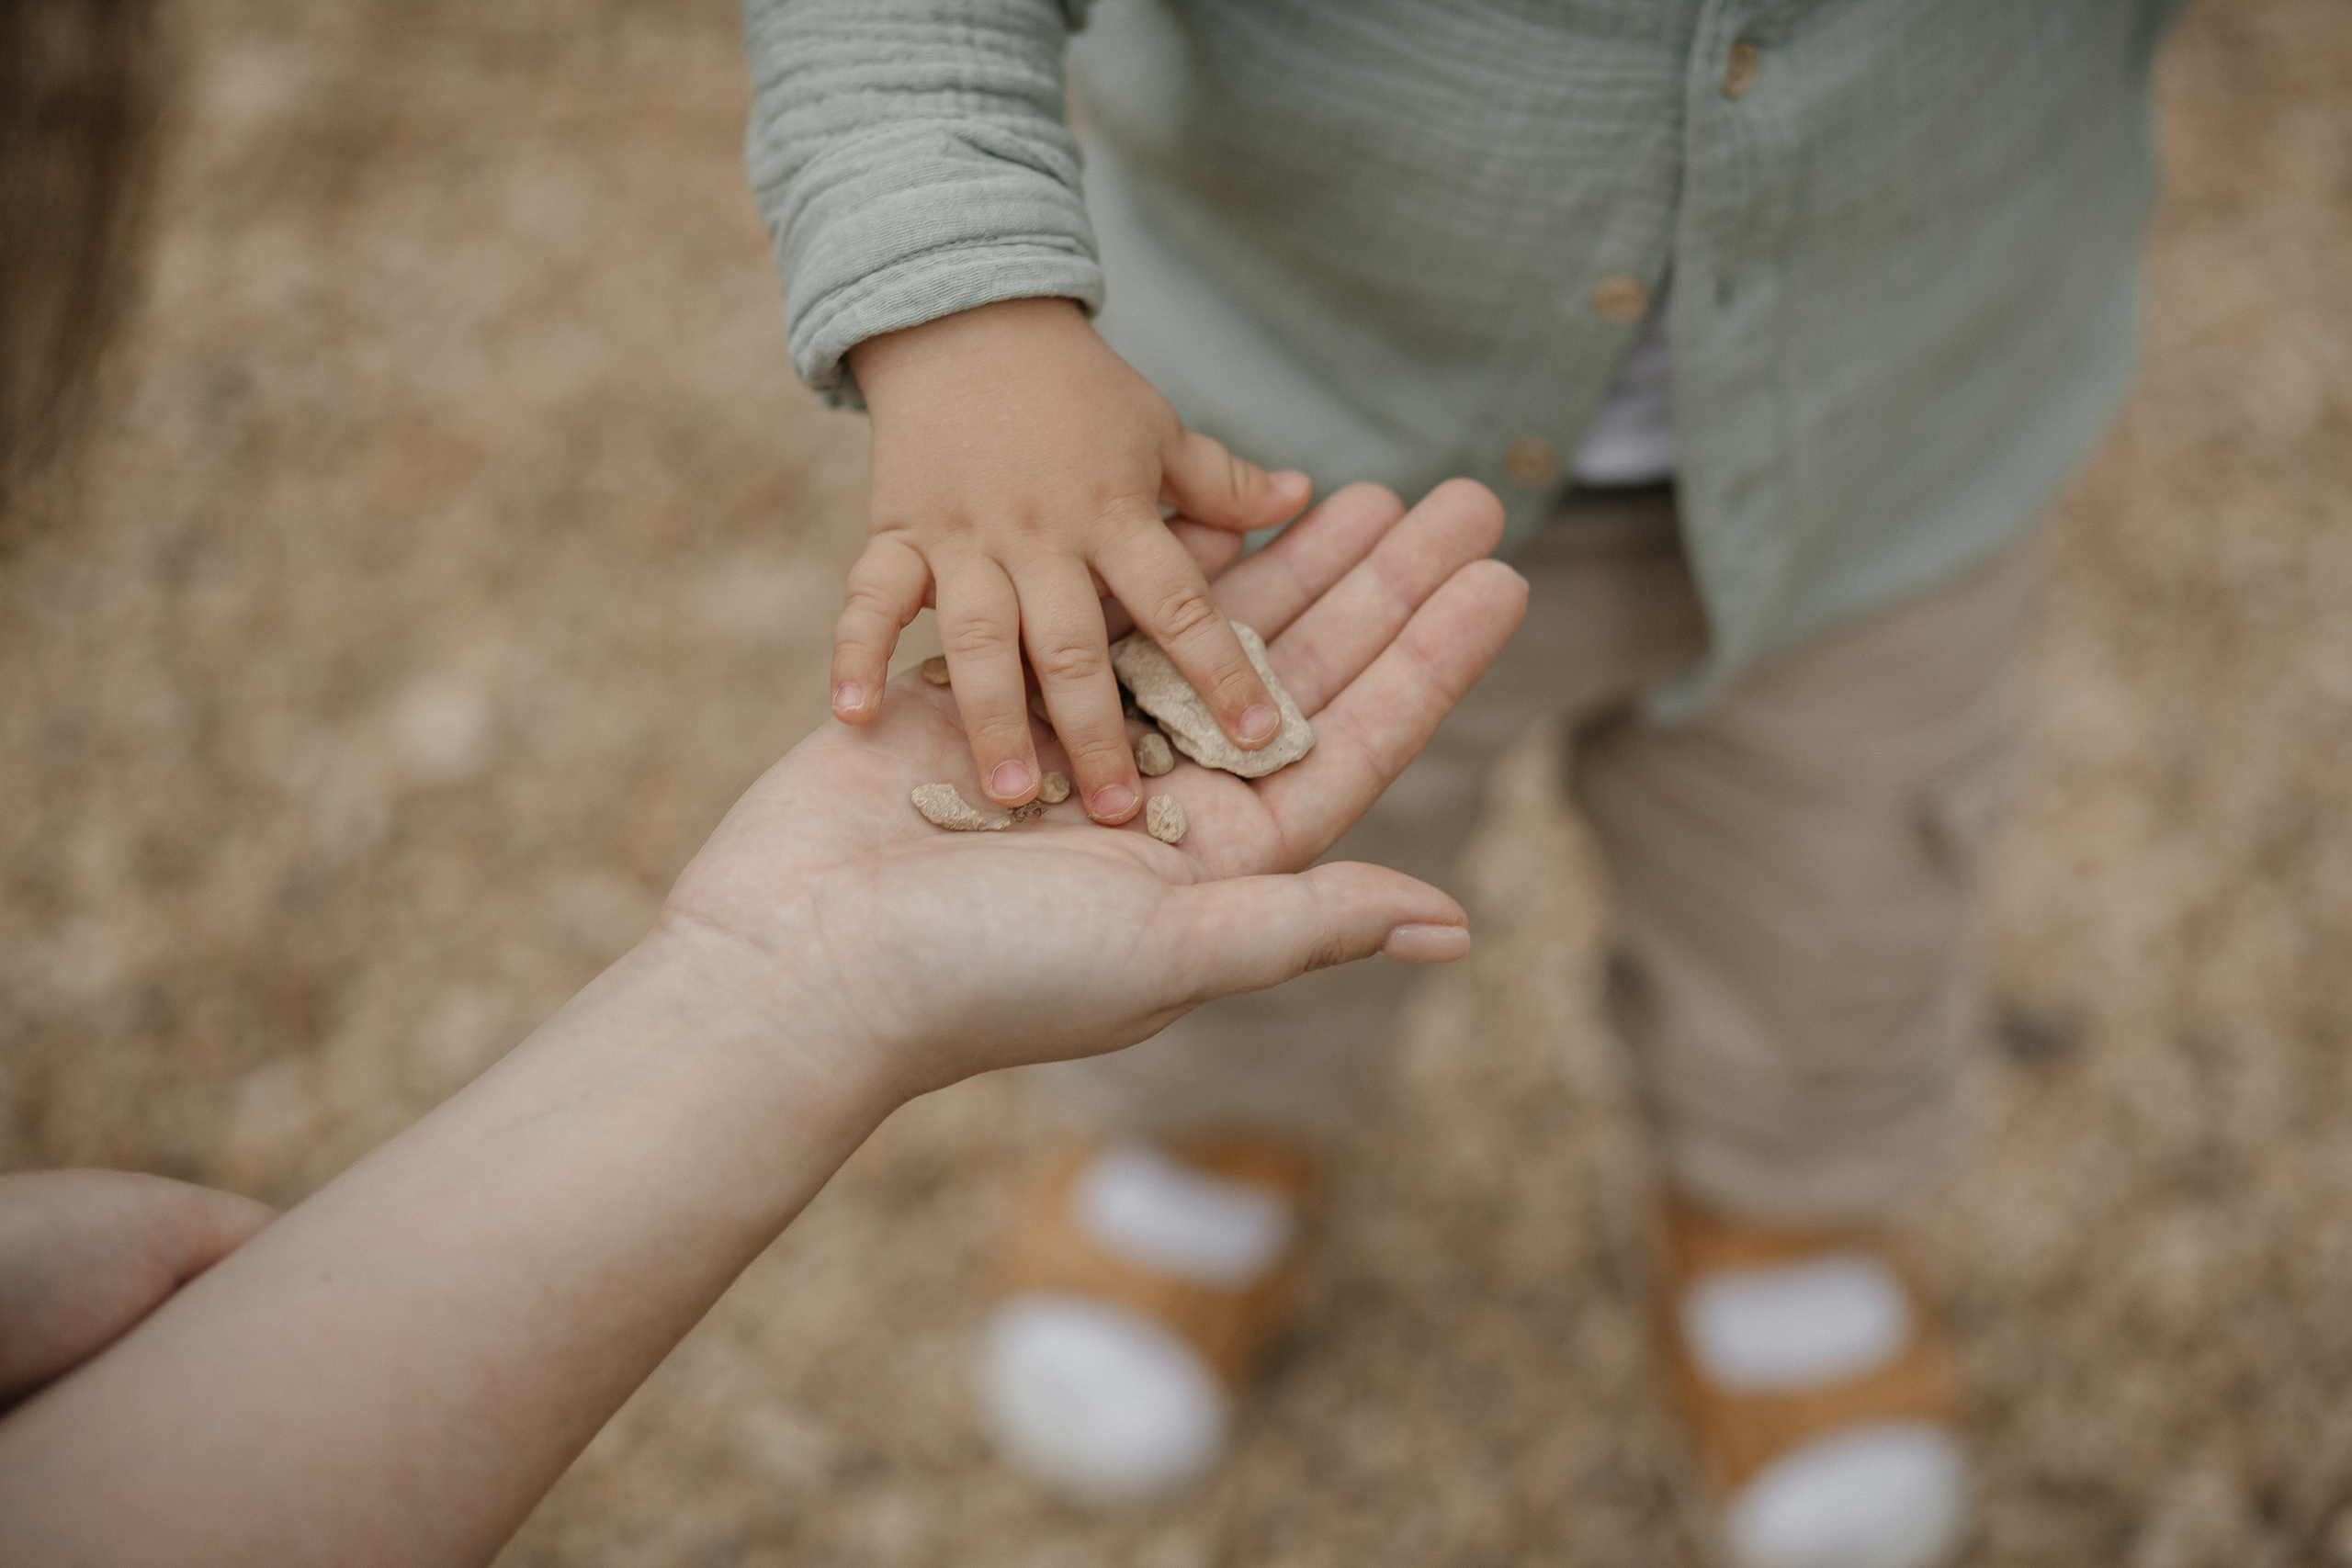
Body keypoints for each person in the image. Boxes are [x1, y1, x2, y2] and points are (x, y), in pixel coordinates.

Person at [0, 6, 1528, 1562]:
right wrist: (964, 297)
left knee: (1712, 905)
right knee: (1255, 930)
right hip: (1237, 452)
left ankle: (1714, 1194)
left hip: (1712, 560)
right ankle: (1201, 1154)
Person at [743, 2, 2188, 1562]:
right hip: (1275, 457)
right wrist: (964, 297)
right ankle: (1209, 1137)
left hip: (1892, 467)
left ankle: (1779, 1213)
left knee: (1840, 903)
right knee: (1223, 859)